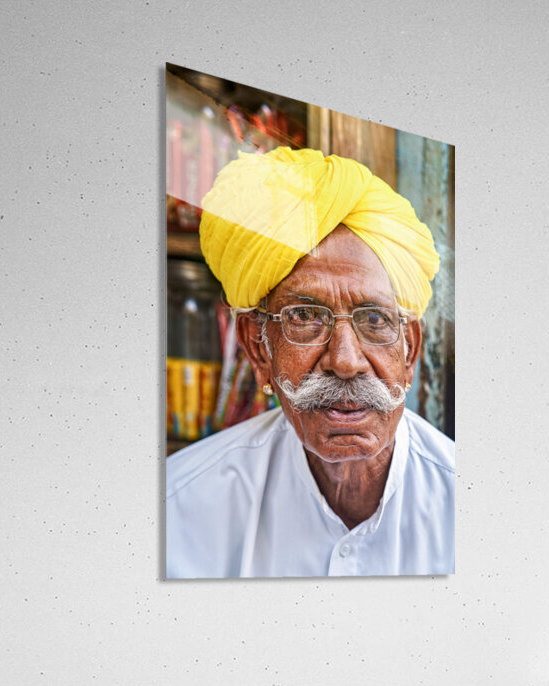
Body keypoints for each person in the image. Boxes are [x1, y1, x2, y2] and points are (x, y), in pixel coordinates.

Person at [166, 146, 454, 578]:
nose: (345, 361)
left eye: (374, 319)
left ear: (410, 350)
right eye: (305, 317)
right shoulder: (179, 508)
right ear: (258, 347)